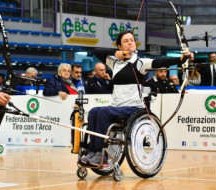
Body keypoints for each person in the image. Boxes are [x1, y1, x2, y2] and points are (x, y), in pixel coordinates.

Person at [81, 30, 192, 167]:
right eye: (126, 41)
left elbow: (160, 61)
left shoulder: (140, 63)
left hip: (133, 109)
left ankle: (101, 155)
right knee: (93, 111)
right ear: (120, 47)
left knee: (103, 112)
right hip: (117, 107)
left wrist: (180, 59)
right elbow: (96, 50)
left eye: (132, 40)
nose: (130, 42)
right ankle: (93, 152)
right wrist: (117, 54)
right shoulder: (114, 62)